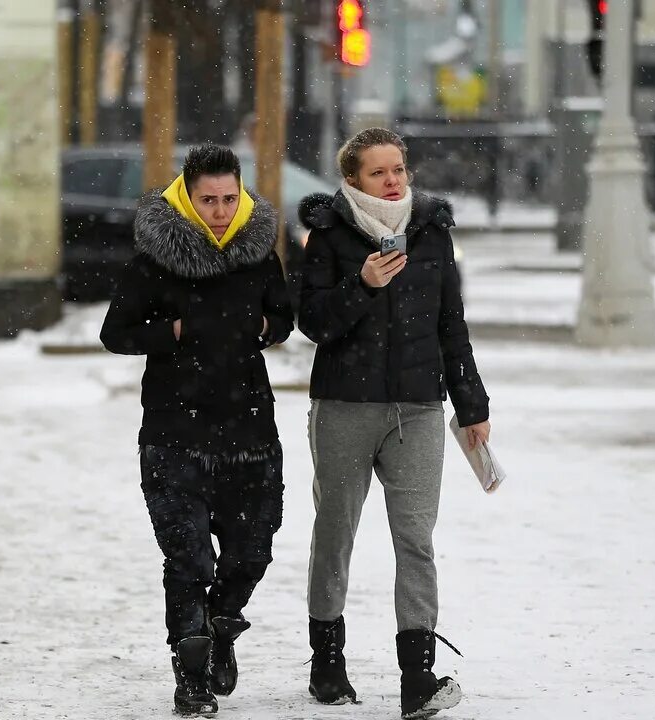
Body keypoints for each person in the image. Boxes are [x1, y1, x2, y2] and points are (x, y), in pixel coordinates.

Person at [296, 127, 491, 719]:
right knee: (336, 534)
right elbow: (313, 321)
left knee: (416, 539)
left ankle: (418, 677)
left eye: (399, 169)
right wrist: (362, 285)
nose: (393, 181)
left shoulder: (431, 233)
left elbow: (450, 324)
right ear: (353, 179)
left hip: (418, 409)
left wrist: (472, 405)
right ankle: (328, 662)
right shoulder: (328, 235)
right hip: (345, 407)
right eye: (379, 172)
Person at [100, 144, 293, 717]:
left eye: (229, 199)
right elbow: (116, 332)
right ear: (186, 196)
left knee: (250, 553)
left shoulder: (257, 254)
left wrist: (263, 325)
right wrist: (174, 330)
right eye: (208, 200)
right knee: (187, 559)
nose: (219, 210)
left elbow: (283, 317)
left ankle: (222, 633)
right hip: (173, 430)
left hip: (250, 428)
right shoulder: (153, 259)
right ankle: (191, 676)